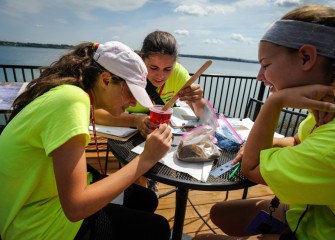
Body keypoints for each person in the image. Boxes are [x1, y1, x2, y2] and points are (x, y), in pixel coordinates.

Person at [0, 41, 172, 240]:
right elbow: (75, 207)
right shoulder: (71, 101)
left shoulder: (70, 92)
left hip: (37, 199)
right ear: (106, 80)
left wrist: (136, 125)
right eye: (130, 93)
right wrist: (146, 159)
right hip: (32, 225)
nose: (133, 102)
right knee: (157, 228)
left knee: (145, 198)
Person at [193, 4, 335, 240]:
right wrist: (256, 144)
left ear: (306, 57)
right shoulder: (323, 112)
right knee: (221, 212)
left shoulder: (330, 147)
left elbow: (252, 168)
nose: (259, 77)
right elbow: (296, 140)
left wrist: (274, 103)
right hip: (307, 211)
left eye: (266, 65)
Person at [94, 30, 207, 192]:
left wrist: (196, 99)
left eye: (168, 69)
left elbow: (202, 114)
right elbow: (96, 113)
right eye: (153, 67)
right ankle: (144, 191)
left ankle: (145, 190)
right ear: (141, 58)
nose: (160, 76)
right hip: (127, 135)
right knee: (141, 182)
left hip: (160, 138)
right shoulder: (129, 71)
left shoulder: (179, 74)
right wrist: (135, 120)